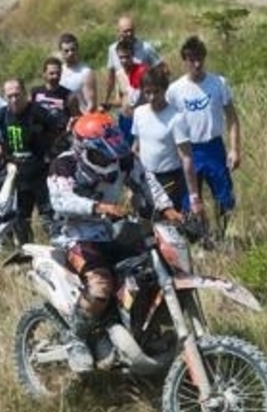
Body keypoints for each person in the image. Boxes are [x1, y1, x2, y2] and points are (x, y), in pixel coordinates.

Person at [47, 112, 181, 372]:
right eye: (103, 151)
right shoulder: (64, 165)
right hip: (77, 234)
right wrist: (99, 207)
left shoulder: (124, 160)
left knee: (152, 271)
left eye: (112, 147)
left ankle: (139, 329)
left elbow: (148, 182)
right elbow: (60, 199)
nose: (111, 156)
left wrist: (168, 210)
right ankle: (74, 337)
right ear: (84, 148)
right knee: (100, 285)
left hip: (115, 230)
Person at [166, 36, 240, 240]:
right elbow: (167, 123)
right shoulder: (174, 90)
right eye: (191, 59)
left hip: (214, 147)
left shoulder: (218, 83)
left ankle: (223, 236)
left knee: (224, 197)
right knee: (190, 200)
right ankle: (200, 239)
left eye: (200, 58)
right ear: (184, 60)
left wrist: (234, 149)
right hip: (188, 150)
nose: (196, 64)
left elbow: (232, 118)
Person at [0, 77, 60, 250]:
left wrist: (52, 156)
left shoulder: (39, 112)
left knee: (48, 218)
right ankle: (27, 254)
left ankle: (58, 253)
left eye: (17, 95)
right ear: (4, 96)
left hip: (42, 174)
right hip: (18, 176)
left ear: (25, 93)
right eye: (9, 96)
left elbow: (58, 133)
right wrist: (1, 149)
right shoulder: (3, 114)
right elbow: (5, 139)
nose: (14, 99)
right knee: (21, 220)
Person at [132, 66, 203, 217]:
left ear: (164, 90)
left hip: (169, 179)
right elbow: (136, 147)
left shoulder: (176, 118)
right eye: (147, 92)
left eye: (156, 92)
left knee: (169, 222)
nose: (152, 97)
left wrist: (194, 197)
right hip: (146, 178)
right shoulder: (139, 113)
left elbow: (186, 158)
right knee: (145, 219)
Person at [104, 15, 164, 109]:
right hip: (124, 102)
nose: (129, 33)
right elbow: (111, 77)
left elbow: (162, 70)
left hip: (145, 103)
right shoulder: (112, 50)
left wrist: (161, 95)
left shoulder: (145, 48)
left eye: (131, 30)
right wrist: (106, 100)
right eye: (125, 31)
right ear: (118, 32)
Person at [30, 56, 81, 158]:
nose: (55, 76)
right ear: (44, 73)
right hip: (39, 141)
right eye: (51, 73)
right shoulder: (35, 92)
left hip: (60, 142)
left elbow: (76, 118)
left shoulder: (68, 95)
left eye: (58, 73)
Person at [108, 38, 148, 147]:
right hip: (125, 120)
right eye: (121, 57)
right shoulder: (119, 75)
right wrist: (109, 105)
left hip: (141, 120)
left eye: (127, 57)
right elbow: (120, 99)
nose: (124, 60)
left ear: (133, 55)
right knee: (127, 153)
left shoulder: (143, 72)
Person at [58, 33, 98, 114]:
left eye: (73, 49)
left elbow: (91, 104)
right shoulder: (58, 71)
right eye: (66, 51)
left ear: (77, 49)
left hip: (80, 117)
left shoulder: (85, 72)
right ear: (61, 52)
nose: (70, 53)